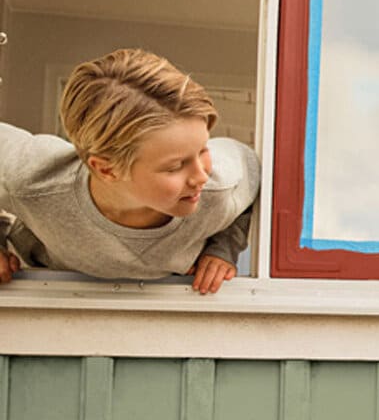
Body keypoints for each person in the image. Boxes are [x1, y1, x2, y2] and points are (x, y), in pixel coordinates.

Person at [0, 48, 260, 294]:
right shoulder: (36, 180)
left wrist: (222, 249)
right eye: (175, 166)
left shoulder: (218, 189)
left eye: (203, 150)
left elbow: (252, 166)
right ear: (106, 169)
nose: (200, 175)